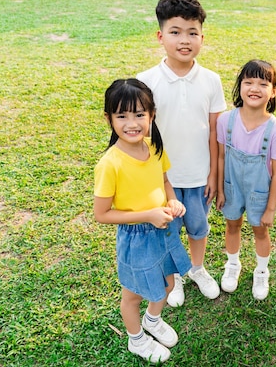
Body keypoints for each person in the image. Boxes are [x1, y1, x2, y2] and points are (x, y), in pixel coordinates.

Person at [137, 0, 226, 305]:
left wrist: (216, 174)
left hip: (200, 175)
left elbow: (216, 132)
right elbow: (139, 137)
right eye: (175, 32)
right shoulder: (144, 82)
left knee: (198, 228)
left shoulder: (212, 80)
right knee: (167, 231)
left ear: (203, 37)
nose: (184, 40)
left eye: (192, 33)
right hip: (163, 180)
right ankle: (172, 279)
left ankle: (198, 269)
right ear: (161, 36)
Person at [94, 79, 192, 363]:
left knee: (167, 285)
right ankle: (136, 340)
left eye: (139, 114)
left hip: (164, 230)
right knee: (134, 295)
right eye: (121, 116)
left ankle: (152, 319)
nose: (131, 123)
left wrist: (171, 200)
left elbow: (164, 181)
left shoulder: (154, 148)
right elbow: (102, 214)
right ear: (109, 118)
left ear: (151, 115)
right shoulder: (110, 164)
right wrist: (147, 215)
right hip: (136, 237)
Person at [215, 60, 276, 300]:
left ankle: (261, 270)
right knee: (232, 224)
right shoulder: (226, 121)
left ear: (273, 91)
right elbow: (221, 157)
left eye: (263, 83)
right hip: (231, 186)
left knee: (260, 231)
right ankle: (233, 264)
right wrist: (220, 189)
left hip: (260, 192)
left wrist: (270, 209)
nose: (254, 88)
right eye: (248, 82)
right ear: (240, 87)